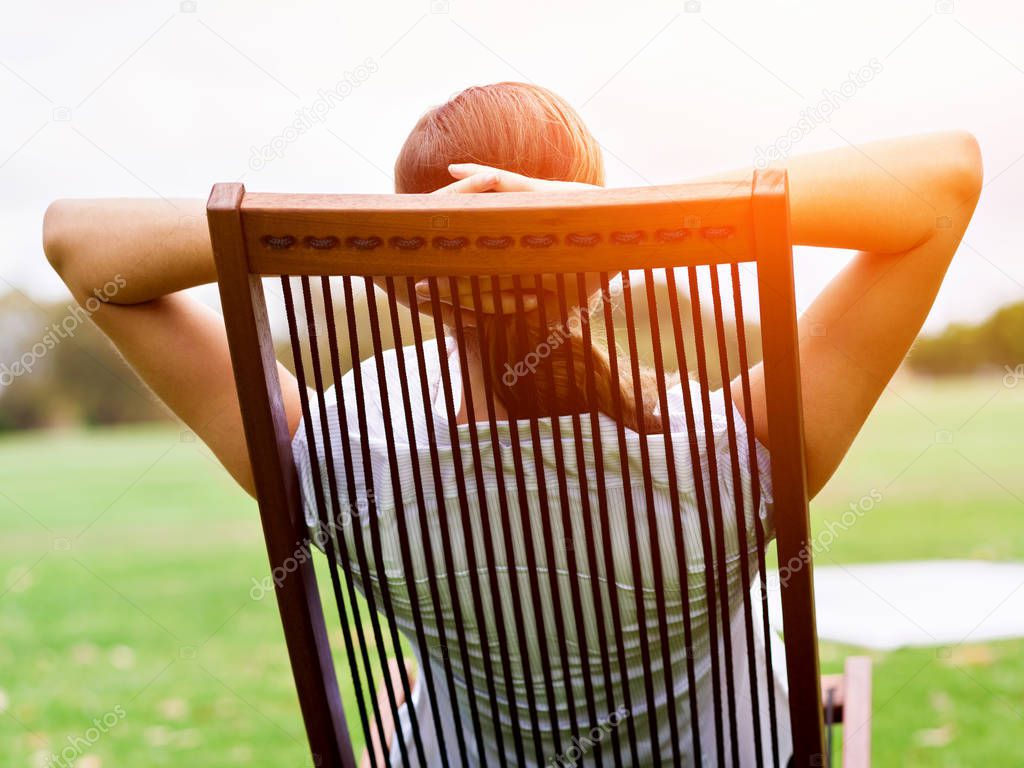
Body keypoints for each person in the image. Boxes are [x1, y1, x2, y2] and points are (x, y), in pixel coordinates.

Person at [43, 82, 982, 766]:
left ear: (418, 264)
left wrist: (363, 237)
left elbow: (77, 245)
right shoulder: (736, 449)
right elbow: (945, 181)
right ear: (607, 249)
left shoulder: (340, 459)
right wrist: (618, 216)